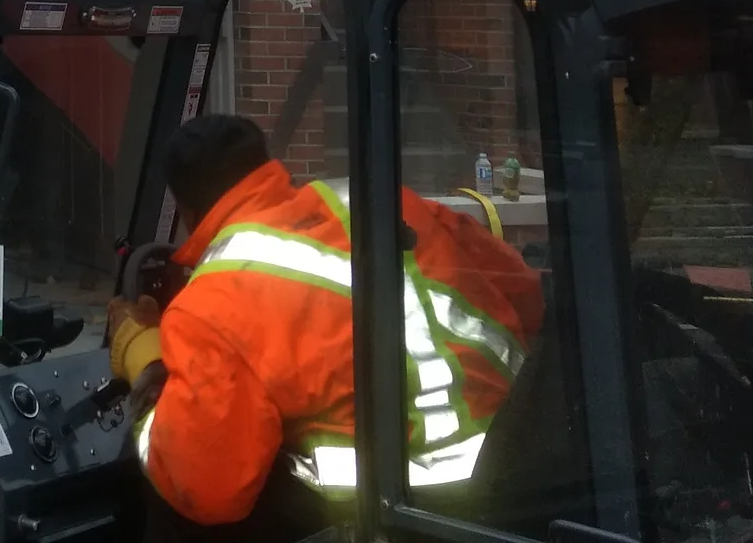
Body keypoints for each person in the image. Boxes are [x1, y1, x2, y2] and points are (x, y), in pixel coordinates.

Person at [108, 114, 542, 536]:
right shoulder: (387, 203)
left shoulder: (211, 301)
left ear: (184, 208)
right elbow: (525, 293)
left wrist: (147, 364)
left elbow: (207, 488)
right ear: (268, 167)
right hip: (518, 474)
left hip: (401, 514)